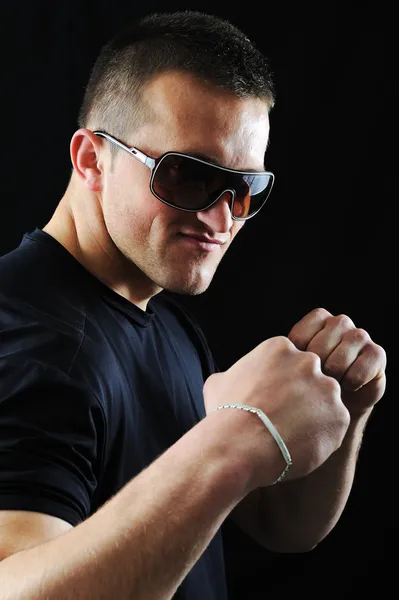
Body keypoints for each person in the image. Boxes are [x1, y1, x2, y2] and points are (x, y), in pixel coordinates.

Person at [0, 9, 386, 600]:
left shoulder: (162, 315)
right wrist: (229, 444)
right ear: (90, 160)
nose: (221, 217)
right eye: (186, 177)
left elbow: (280, 528)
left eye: (245, 189)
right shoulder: (27, 339)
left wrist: (346, 409)